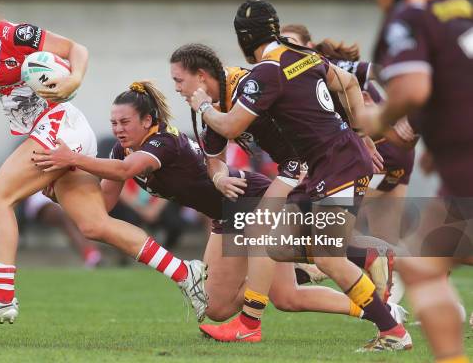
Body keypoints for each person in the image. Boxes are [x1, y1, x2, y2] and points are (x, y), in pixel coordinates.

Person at [0, 0, 206, 325]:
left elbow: (76, 50)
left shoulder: (17, 35)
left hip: (60, 125)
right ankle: (185, 272)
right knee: (94, 224)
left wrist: (74, 78)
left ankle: (2, 299)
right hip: (53, 130)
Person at [33, 79, 401, 329]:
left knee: (311, 265)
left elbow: (128, 169)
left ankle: (361, 260)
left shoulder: (163, 144)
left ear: (148, 120)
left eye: (125, 121)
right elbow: (103, 208)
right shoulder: (120, 149)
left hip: (251, 204)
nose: (117, 128)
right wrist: (66, 192)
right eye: (113, 122)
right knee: (241, 305)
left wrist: (72, 159)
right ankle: (381, 312)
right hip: (225, 217)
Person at [187, 0, 411, 351]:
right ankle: (363, 265)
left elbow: (230, 125)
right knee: (270, 240)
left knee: (325, 256)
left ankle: (391, 330)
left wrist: (202, 106)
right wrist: (362, 135)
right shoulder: (303, 55)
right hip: (333, 163)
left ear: (244, 38)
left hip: (337, 165)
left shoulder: (266, 71)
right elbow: (350, 83)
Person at [363, 0, 473, 361]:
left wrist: (378, 115)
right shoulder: (462, 7)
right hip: (460, 156)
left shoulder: (408, 16)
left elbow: (411, 90)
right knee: (422, 261)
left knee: (422, 262)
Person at [280, 24, 417, 246]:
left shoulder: (323, 65)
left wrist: (401, 111)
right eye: (281, 44)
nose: (286, 49)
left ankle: (305, 270)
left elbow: (380, 71)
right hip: (392, 155)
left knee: (318, 224)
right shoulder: (290, 75)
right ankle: (431, 269)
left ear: (310, 47)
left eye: (292, 43)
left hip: (381, 152)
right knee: (384, 240)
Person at [23, 191, 102, 268]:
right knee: (64, 219)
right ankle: (91, 255)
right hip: (40, 199)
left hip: (61, 195)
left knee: (75, 220)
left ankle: (92, 254)